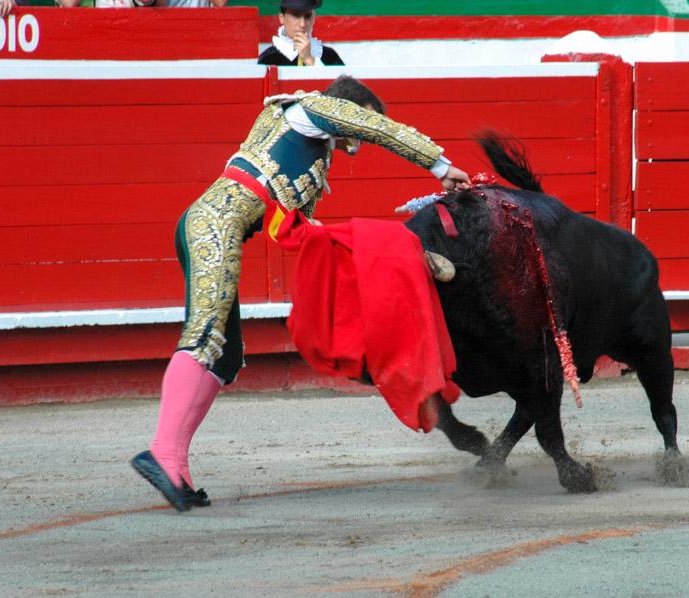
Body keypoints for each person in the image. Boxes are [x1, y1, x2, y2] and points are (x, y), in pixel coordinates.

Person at [131, 75, 470, 512]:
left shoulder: (308, 152)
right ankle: (163, 452)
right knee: (205, 337)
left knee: (226, 356)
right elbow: (380, 130)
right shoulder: (308, 110)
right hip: (213, 224)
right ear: (353, 110)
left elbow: (302, 231)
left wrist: (378, 251)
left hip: (218, 226)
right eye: (359, 129)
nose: (355, 146)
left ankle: (173, 465)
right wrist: (442, 167)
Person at [258, 0, 344, 67]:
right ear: (282, 18)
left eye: (308, 16)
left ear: (314, 17)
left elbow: (344, 88)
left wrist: (310, 60)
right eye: (296, 16)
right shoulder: (268, 59)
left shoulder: (329, 56)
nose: (302, 24)